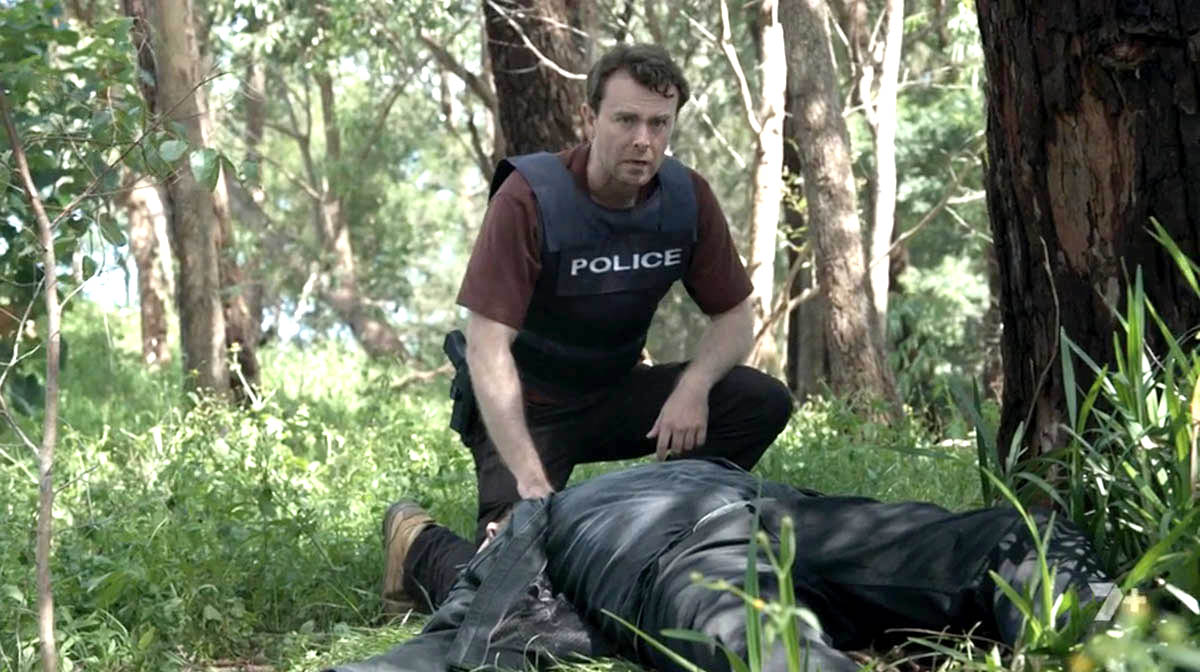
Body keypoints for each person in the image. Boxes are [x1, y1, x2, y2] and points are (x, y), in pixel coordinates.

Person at [447, 42, 793, 553]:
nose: (643, 140)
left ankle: (661, 524)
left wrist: (693, 387)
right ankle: (416, 544)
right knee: (510, 560)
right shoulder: (528, 198)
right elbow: (486, 347)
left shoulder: (686, 198)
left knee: (760, 400)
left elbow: (735, 317)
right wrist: (531, 482)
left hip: (617, 394)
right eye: (626, 120)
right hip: (530, 409)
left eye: (659, 124)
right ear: (590, 118)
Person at [348, 459, 1116, 672]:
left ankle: (413, 538)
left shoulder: (534, 546)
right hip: (688, 517)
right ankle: (412, 538)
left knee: (1012, 538)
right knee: (1009, 538)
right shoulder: (536, 543)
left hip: (727, 508)